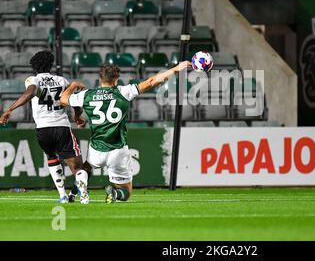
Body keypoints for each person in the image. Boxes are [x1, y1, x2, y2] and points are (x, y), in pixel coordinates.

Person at [60, 61, 191, 203]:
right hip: (118, 150)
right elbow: (152, 81)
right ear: (116, 79)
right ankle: (115, 194)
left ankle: (79, 186)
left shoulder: (87, 95)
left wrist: (72, 86)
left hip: (96, 148)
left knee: (86, 167)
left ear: (100, 79)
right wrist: (176, 69)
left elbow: (63, 99)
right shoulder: (123, 91)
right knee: (126, 191)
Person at [0, 51, 90, 204]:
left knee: (52, 157)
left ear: (34, 66)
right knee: (77, 166)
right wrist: (77, 116)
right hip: (61, 126)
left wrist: (10, 109)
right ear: (51, 65)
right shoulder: (62, 80)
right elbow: (72, 100)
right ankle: (84, 196)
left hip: (43, 128)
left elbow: (30, 92)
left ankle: (62, 195)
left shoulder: (33, 79)